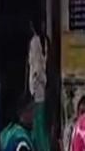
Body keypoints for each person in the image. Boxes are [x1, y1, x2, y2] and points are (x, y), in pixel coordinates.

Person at [28, 18, 50, 151]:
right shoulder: (45, 41)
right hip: (43, 84)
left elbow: (36, 67)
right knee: (40, 122)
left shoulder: (35, 42)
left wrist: (33, 85)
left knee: (38, 123)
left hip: (37, 87)